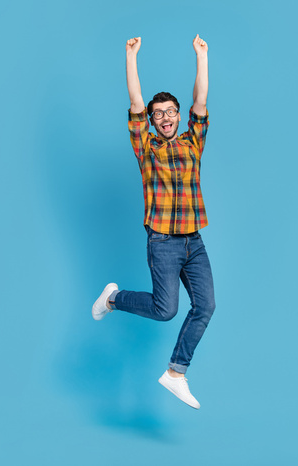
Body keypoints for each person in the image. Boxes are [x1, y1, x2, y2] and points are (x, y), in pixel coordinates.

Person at [91, 35, 215, 409]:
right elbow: (134, 102)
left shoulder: (192, 142)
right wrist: (130, 57)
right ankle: (113, 298)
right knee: (166, 311)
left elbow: (201, 101)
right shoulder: (145, 146)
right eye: (157, 113)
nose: (164, 118)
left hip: (194, 241)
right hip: (162, 242)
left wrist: (201, 57)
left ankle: (176, 372)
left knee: (205, 307)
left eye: (169, 112)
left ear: (178, 117)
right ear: (152, 119)